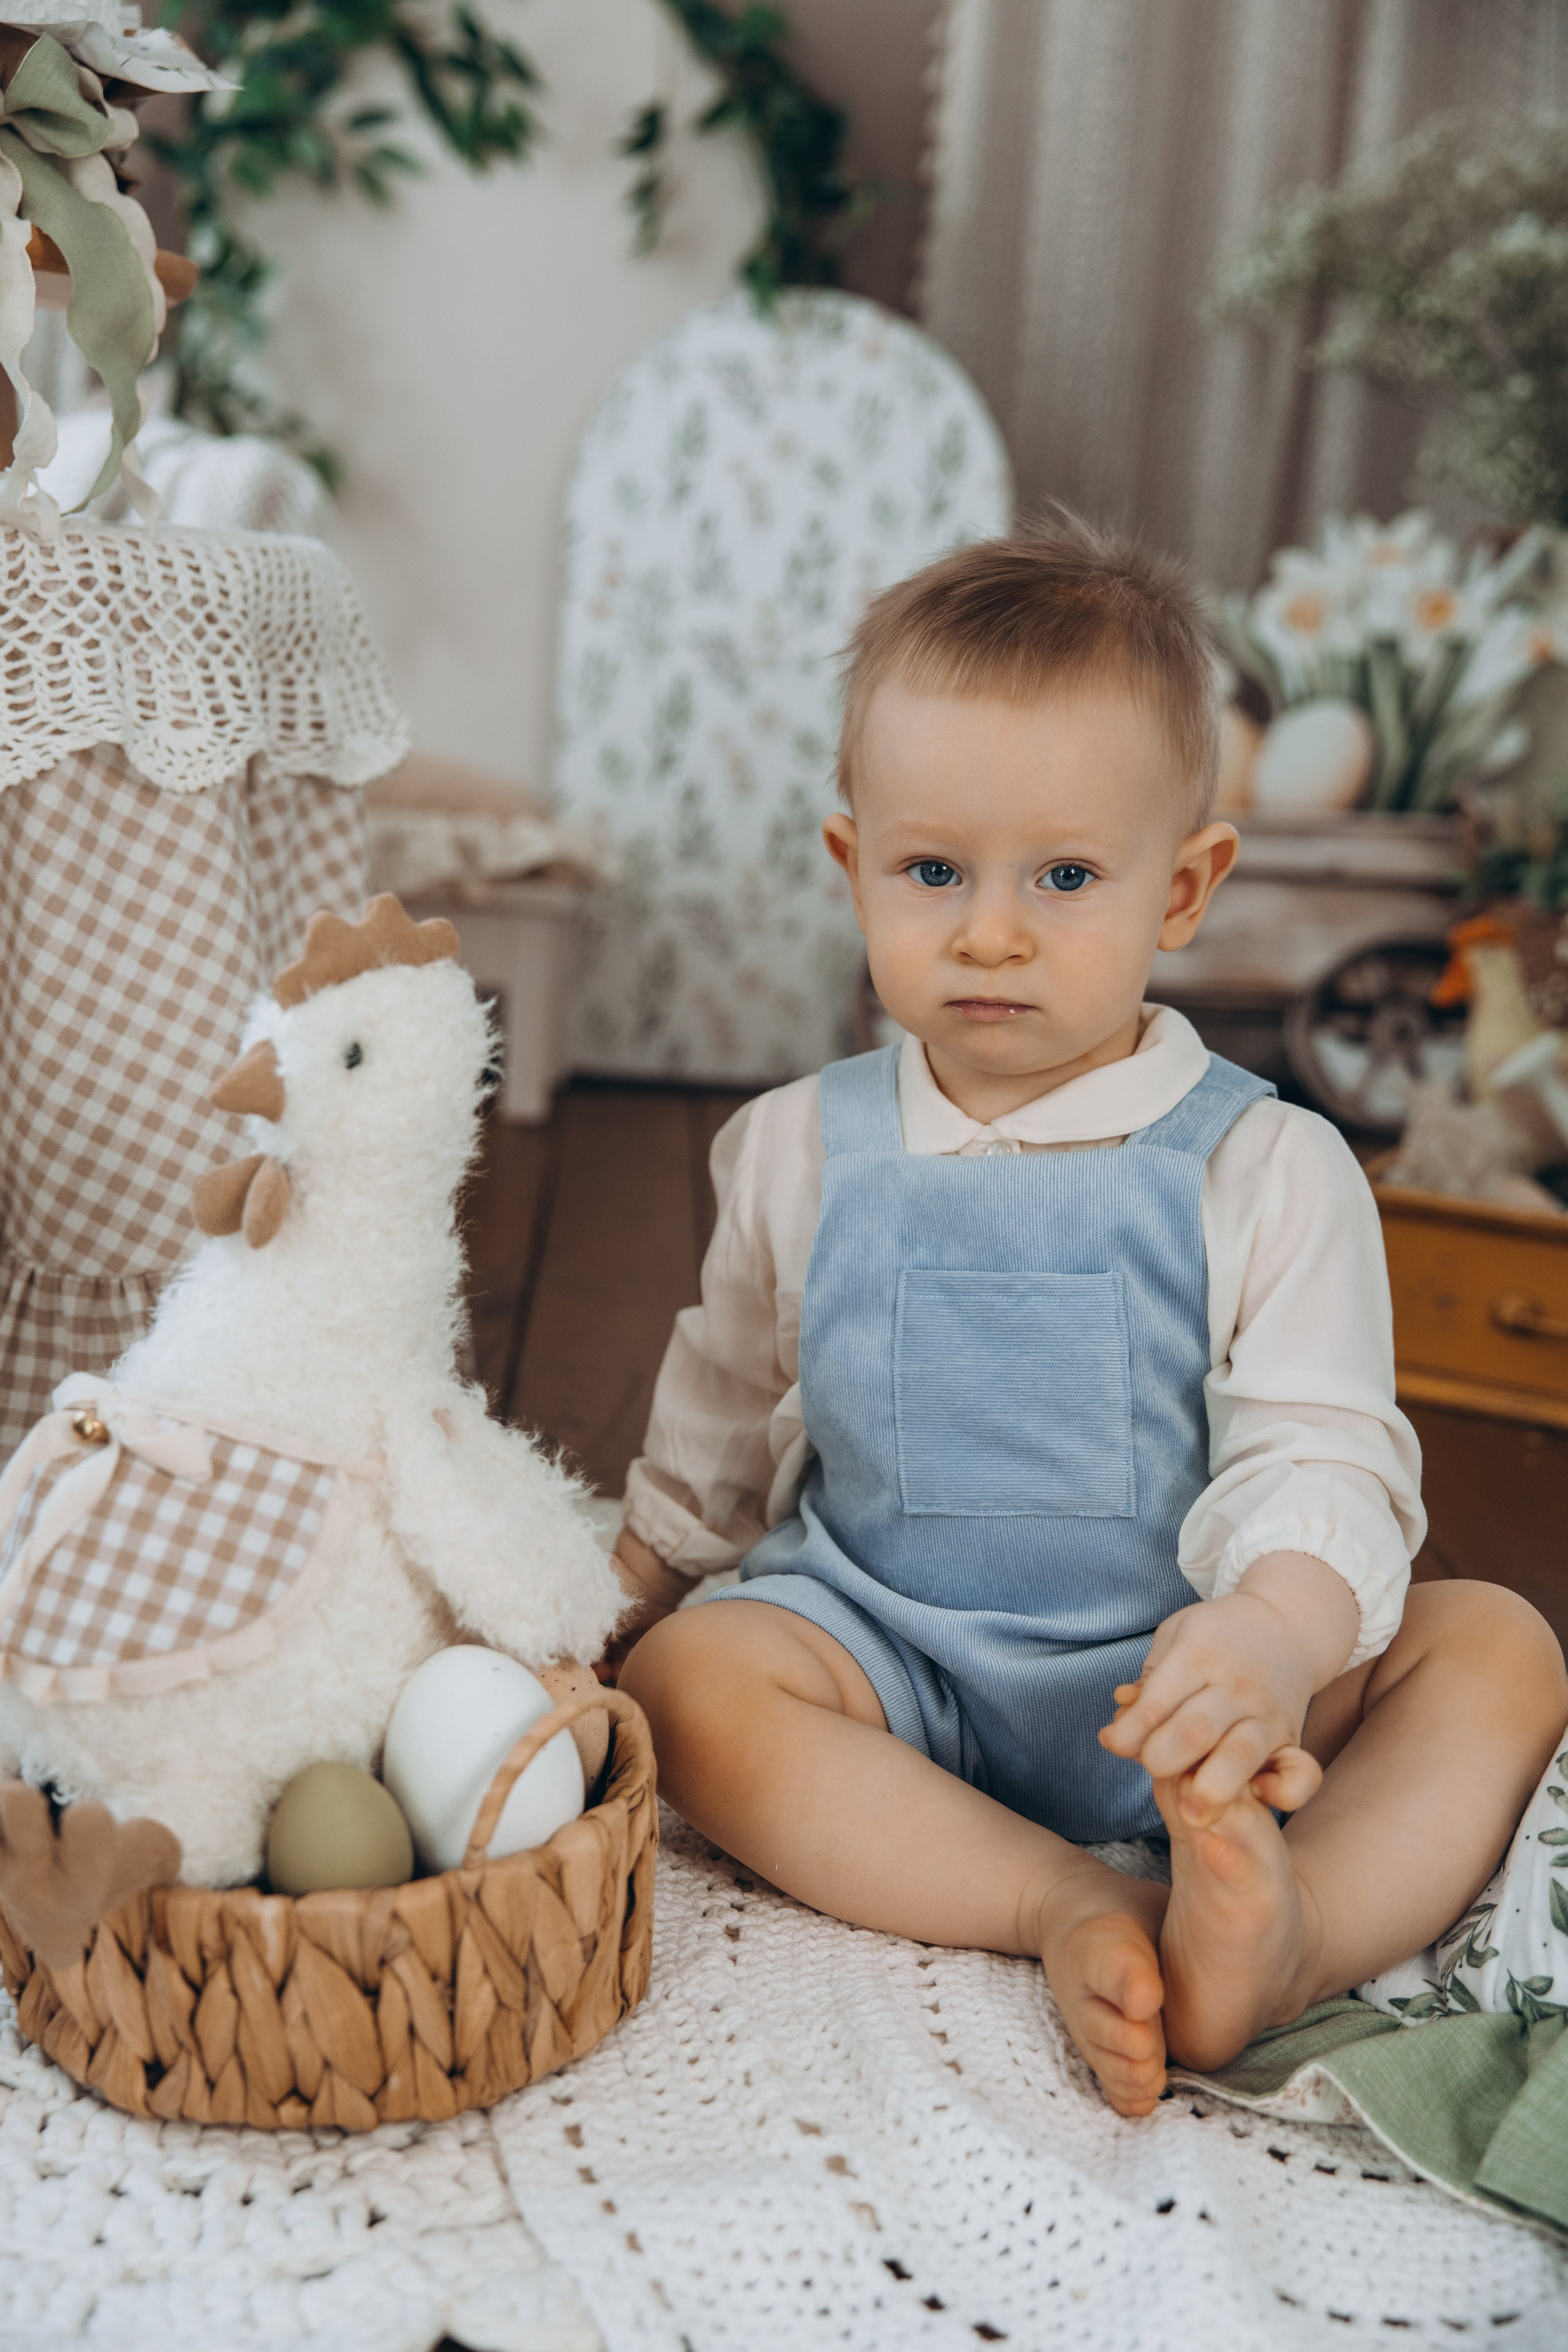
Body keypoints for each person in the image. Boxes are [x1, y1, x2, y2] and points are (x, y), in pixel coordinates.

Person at [609, 518, 1568, 2116]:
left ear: (1183, 887)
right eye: (935, 872)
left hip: (1199, 1696)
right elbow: (718, 1416)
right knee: (697, 1687)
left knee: (1497, 1650)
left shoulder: (1267, 1165)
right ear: (855, 869)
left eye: (1065, 876)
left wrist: (1272, 1634)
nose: (993, 931)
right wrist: (632, 1587)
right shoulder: (797, 1144)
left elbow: (1326, 1453)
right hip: (894, 1670)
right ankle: (1075, 1905)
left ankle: (1296, 1918)